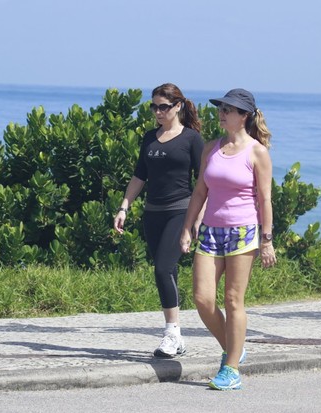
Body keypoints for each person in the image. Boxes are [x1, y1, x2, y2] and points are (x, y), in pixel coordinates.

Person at [179, 88, 276, 390]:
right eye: (221, 108)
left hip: (243, 232)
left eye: (229, 110)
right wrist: (187, 228)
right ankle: (235, 349)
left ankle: (231, 368)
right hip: (209, 231)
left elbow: (265, 199)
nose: (222, 113)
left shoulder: (257, 152)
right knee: (202, 299)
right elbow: (199, 192)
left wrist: (267, 239)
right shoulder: (211, 148)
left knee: (233, 300)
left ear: (244, 116)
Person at [114, 83, 204, 358]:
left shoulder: (191, 139)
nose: (158, 112)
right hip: (152, 214)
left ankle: (171, 333)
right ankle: (178, 339)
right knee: (168, 271)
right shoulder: (149, 138)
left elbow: (203, 182)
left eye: (163, 107)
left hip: (181, 210)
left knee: (163, 269)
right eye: (154, 107)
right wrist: (124, 208)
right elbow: (139, 176)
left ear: (177, 106)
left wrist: (198, 218)